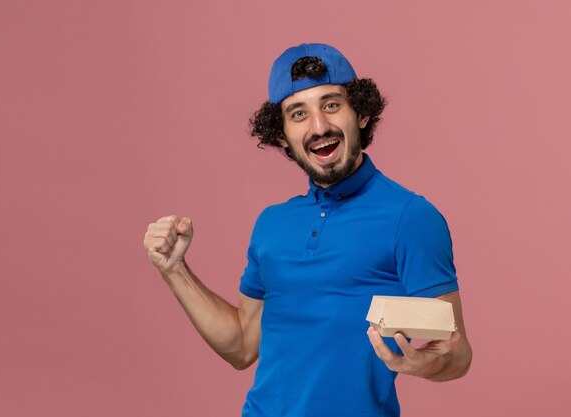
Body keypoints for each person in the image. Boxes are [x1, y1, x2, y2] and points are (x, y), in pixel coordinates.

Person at [143, 43, 472, 417]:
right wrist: (174, 269)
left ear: (360, 113)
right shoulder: (271, 223)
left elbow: (457, 354)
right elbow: (241, 346)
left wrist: (420, 363)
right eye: (298, 113)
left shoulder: (411, 217)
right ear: (281, 135)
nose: (319, 127)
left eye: (331, 105)